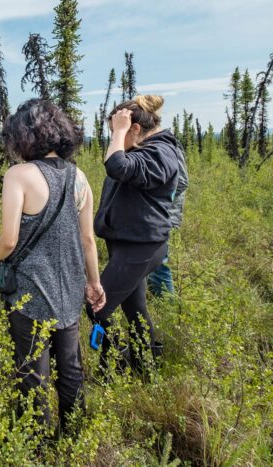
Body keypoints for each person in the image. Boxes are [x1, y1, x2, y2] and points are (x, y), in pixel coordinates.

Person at [0, 99, 106, 433]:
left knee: (32, 370)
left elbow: (9, 239)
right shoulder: (79, 177)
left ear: (25, 136)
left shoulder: (18, 175)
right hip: (70, 287)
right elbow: (88, 239)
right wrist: (93, 284)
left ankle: (36, 439)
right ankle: (72, 434)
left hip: (28, 291)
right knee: (70, 365)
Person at [87, 95, 181, 373]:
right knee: (135, 309)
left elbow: (117, 166)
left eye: (117, 132)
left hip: (140, 247)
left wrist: (118, 133)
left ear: (135, 129)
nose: (114, 140)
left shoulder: (160, 151)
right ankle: (146, 366)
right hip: (128, 244)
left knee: (96, 306)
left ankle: (113, 364)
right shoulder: (145, 150)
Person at [148, 140, 188, 296]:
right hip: (154, 217)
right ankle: (155, 300)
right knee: (150, 263)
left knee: (159, 264)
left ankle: (167, 309)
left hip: (165, 217)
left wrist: (154, 201)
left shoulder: (167, 146)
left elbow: (181, 182)